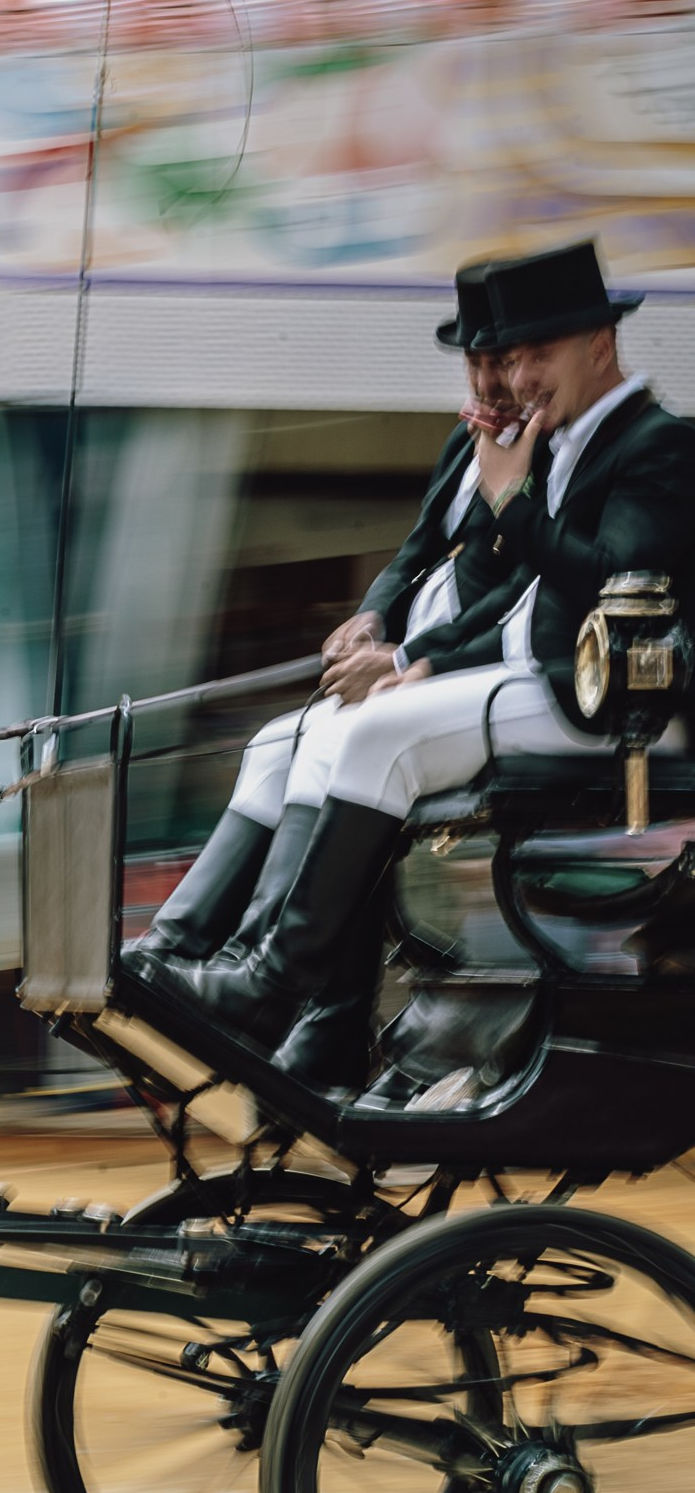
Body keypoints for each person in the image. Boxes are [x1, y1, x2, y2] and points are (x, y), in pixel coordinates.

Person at [140, 240, 695, 1082]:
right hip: (521, 680)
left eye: (533, 354)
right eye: (508, 357)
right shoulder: (550, 441)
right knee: (299, 737)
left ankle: (270, 986)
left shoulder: (660, 444)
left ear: (600, 345)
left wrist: (430, 650)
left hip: (605, 704)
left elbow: (610, 581)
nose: (517, 377)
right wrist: (397, 636)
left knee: (376, 734)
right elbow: (484, 578)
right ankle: (229, 967)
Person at [129, 261, 532, 1078]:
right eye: (476, 362)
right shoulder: (471, 436)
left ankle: (264, 980)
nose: (489, 380)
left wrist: (408, 659)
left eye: (504, 362)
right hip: (425, 665)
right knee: (280, 741)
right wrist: (371, 616)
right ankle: (187, 947)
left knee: (351, 737)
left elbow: (529, 602)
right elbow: (417, 550)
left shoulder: (547, 458)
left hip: (476, 675)